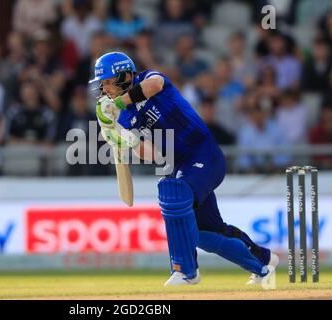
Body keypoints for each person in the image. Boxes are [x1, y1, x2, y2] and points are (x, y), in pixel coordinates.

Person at [90, 52, 278, 286]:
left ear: (125, 75)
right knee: (205, 234)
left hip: (204, 154)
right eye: (103, 84)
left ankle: (186, 271)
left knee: (173, 191)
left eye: (109, 82)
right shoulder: (125, 116)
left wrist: (119, 103)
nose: (105, 89)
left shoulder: (148, 78)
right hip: (180, 164)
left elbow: (155, 85)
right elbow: (154, 154)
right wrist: (123, 138)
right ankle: (263, 263)